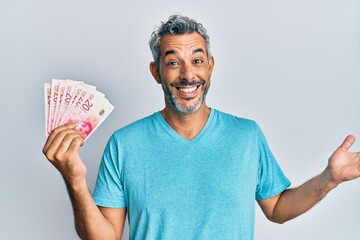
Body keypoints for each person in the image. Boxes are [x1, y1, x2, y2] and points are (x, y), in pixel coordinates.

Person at [42, 14, 360, 240]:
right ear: (156, 72)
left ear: (210, 65)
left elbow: (277, 208)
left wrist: (329, 179)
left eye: (196, 60)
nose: (187, 75)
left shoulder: (246, 136)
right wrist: (75, 181)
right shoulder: (125, 144)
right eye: (172, 62)